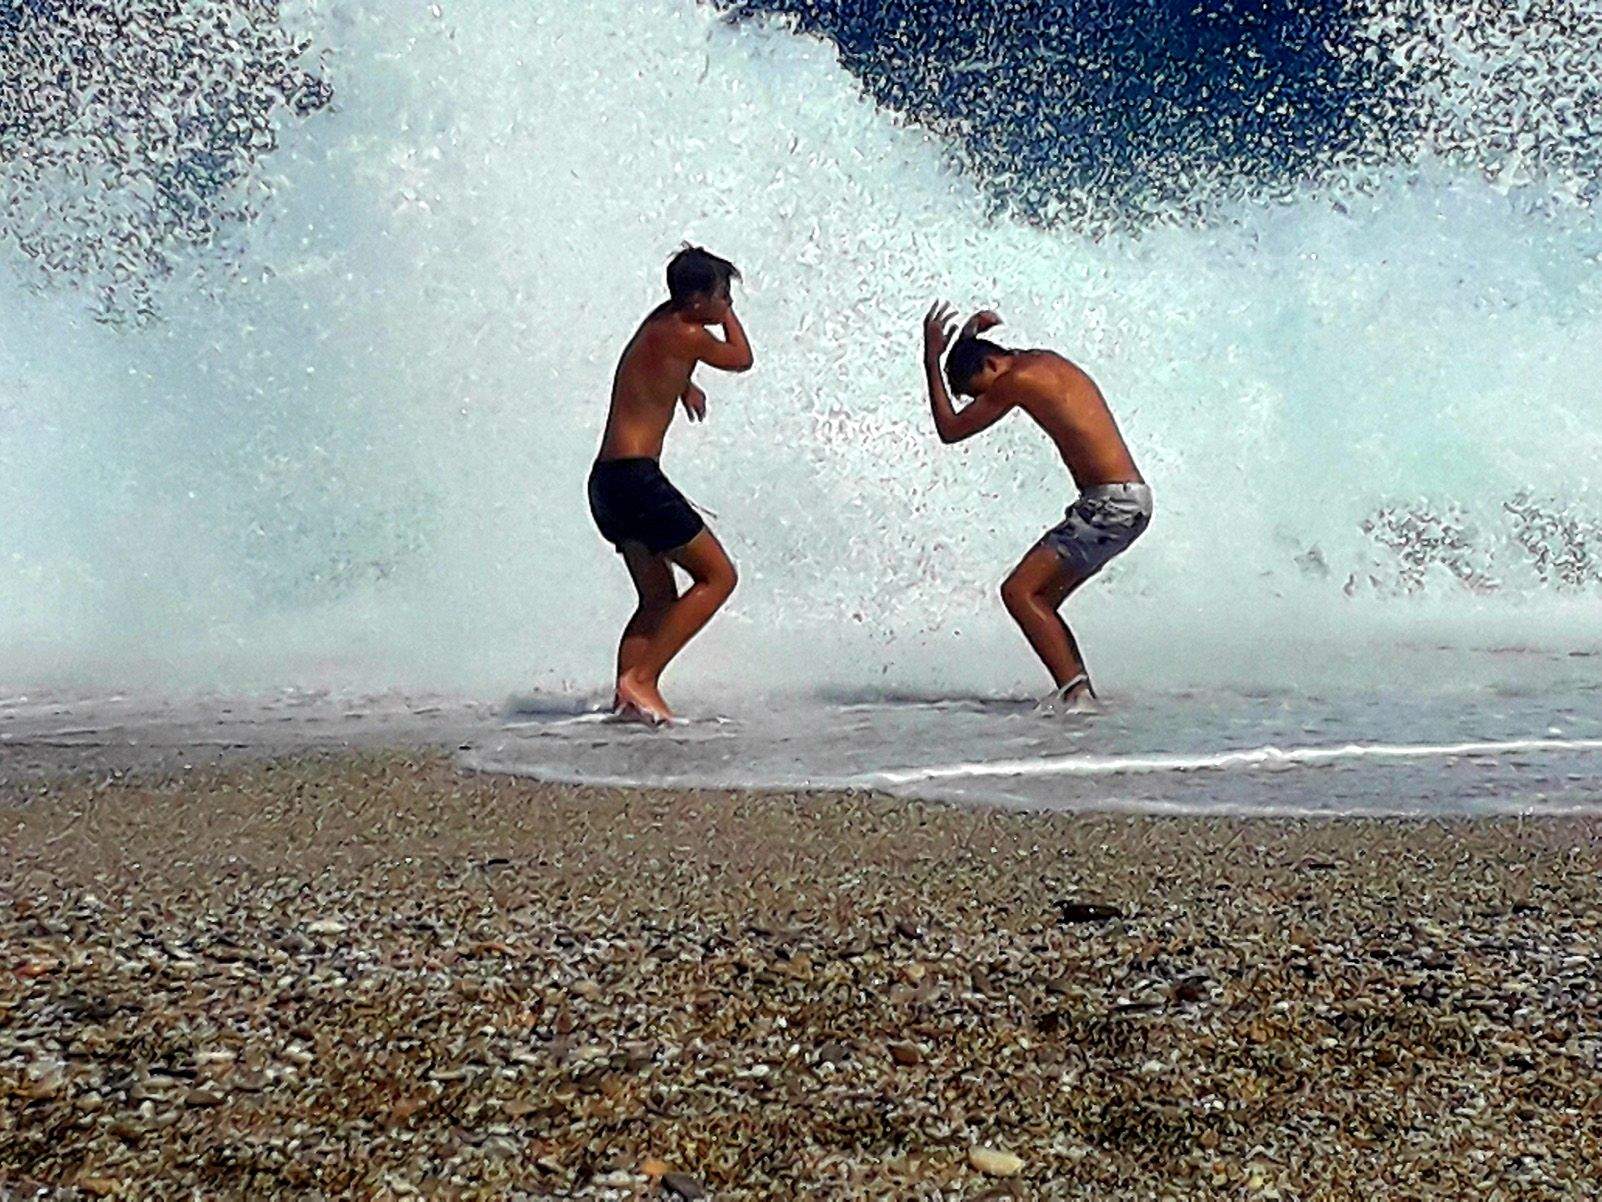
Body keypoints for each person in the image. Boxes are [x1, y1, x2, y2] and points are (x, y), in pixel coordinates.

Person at [921, 303, 1151, 709]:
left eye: (981, 392)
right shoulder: (1040, 360)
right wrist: (968, 337)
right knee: (1040, 601)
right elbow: (981, 357)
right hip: (1128, 501)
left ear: (991, 364)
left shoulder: (1017, 379)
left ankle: (1078, 698)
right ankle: (1078, 693)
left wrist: (931, 360)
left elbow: (950, 430)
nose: (987, 401)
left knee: (1018, 593)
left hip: (1111, 504)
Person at [588, 246, 753, 723]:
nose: (727, 303)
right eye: (723, 295)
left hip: (608, 482)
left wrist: (684, 385)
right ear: (698, 300)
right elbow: (741, 359)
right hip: (638, 481)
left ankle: (626, 700)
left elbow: (655, 361)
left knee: (657, 599)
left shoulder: (660, 323)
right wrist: (728, 317)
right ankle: (642, 680)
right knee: (718, 577)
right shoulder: (691, 334)